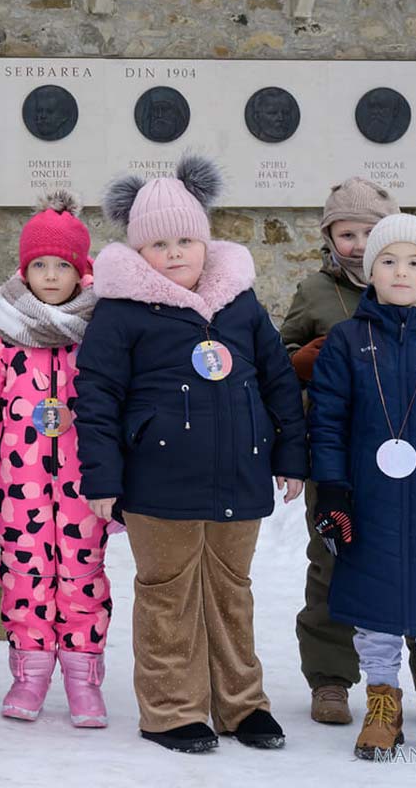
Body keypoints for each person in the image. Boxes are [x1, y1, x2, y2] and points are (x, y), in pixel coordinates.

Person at [73, 156, 307, 756]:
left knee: (232, 589)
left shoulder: (241, 305)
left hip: (240, 471)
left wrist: (291, 455)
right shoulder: (121, 312)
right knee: (168, 593)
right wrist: (102, 477)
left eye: (185, 239)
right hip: (159, 481)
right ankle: (172, 709)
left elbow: (279, 379)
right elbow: (96, 397)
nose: (175, 253)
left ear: (205, 241)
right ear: (136, 248)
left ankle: (240, 703)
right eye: (158, 243)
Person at [281, 177, 416, 729]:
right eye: (346, 233)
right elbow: (281, 360)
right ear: (332, 240)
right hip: (348, 465)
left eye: (368, 231)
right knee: (334, 566)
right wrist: (309, 358)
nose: (358, 243)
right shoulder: (316, 292)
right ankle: (332, 676)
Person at [0, 192, 109, 726]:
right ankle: (29, 675)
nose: (50, 275)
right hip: (19, 480)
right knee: (23, 577)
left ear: (81, 271)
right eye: (40, 265)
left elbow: (113, 404)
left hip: (83, 483)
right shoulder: (2, 333)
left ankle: (83, 679)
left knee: (82, 576)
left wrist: (119, 479)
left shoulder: (96, 332)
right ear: (24, 270)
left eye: (62, 266)